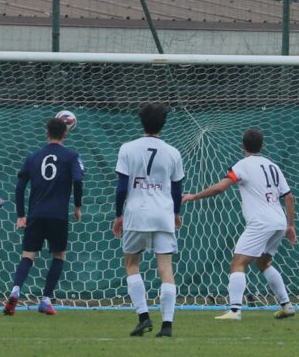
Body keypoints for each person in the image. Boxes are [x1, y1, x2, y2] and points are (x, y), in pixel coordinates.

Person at [183, 129, 296, 320]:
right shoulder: (272, 166)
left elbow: (220, 188)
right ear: (262, 145)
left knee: (237, 263)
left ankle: (235, 310)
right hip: (278, 221)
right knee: (264, 262)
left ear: (242, 146)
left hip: (261, 223)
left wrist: (193, 196)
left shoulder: (241, 166)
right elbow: (289, 197)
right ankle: (286, 305)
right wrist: (290, 225)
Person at [113, 102, 184, 337]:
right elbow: (176, 189)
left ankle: (143, 317)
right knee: (165, 267)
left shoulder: (127, 148)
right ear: (163, 124)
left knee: (132, 265)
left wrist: (118, 215)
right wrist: (175, 213)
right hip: (163, 214)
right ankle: (167, 325)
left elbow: (122, 188)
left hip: (137, 213)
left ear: (141, 121)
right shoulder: (173, 152)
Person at [3, 117, 83, 316]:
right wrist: (78, 206)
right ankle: (46, 300)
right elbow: (79, 180)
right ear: (65, 133)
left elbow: (20, 188)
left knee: (28, 256)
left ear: (46, 133)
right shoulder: (71, 156)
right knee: (59, 255)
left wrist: (21, 215)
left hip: (36, 214)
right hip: (58, 216)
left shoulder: (33, 157)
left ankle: (15, 290)